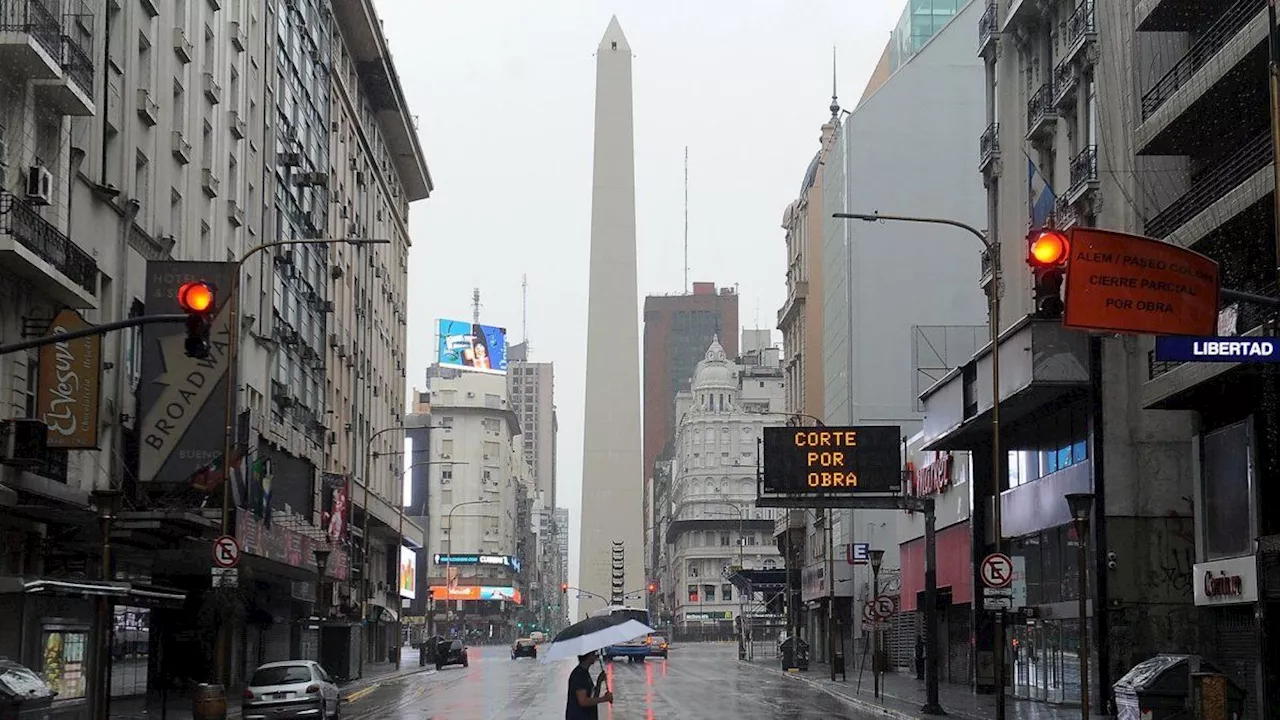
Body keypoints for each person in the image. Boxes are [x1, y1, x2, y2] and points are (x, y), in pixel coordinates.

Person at [566, 650, 612, 719]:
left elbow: (592, 697)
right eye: (594, 653)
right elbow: (583, 701)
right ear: (589, 656)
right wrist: (604, 699)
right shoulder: (579, 675)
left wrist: (599, 682)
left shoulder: (585, 673)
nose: (596, 656)